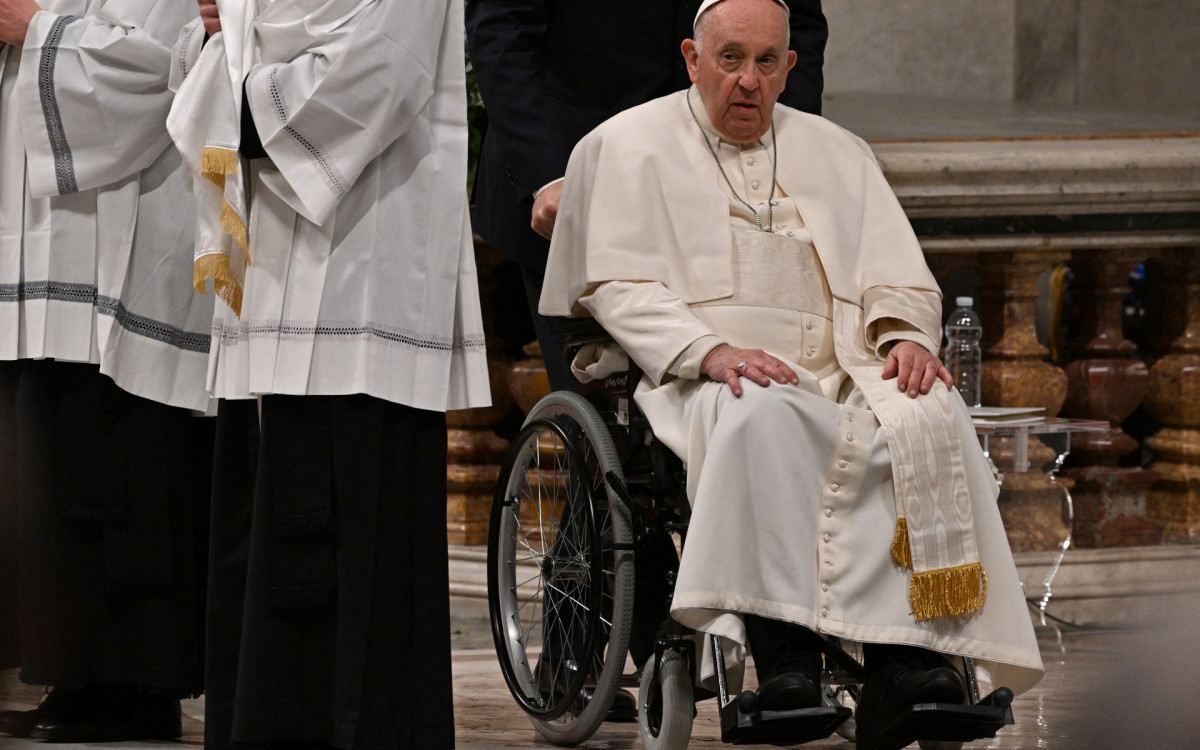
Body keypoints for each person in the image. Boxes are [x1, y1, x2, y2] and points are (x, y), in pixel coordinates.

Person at [540, 0, 1045, 748]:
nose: (748, 81)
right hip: (705, 376)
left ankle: (912, 666)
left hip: (842, 370)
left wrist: (904, 338)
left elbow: (898, 278)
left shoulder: (839, 152)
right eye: (730, 59)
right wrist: (709, 352)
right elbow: (617, 287)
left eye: (766, 62)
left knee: (927, 413)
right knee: (762, 412)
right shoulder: (625, 146)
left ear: (790, 66)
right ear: (691, 58)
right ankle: (786, 665)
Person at [169, 1, 490, 748]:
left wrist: (237, 89)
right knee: (261, 537)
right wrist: (224, 45)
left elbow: (377, 74)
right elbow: (204, 55)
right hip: (266, 277)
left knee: (361, 558)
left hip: (363, 266)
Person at [0, 0, 214, 742]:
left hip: (126, 227)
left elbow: (173, 70)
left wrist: (42, 33)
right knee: (44, 458)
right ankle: (64, 667)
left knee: (117, 460)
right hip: (31, 233)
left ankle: (135, 682)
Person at [466, 0, 828, 391]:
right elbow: (503, 26)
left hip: (732, 176)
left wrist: (780, 152)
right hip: (576, 172)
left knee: (763, 391)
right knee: (607, 416)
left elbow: (799, 24)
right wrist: (549, 174)